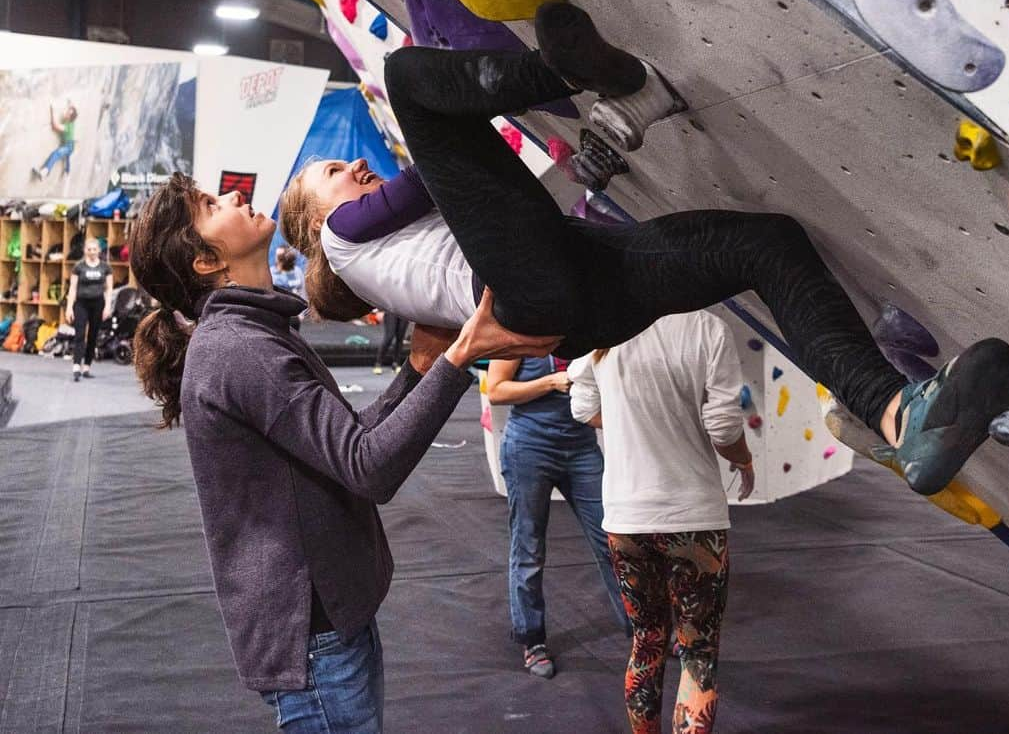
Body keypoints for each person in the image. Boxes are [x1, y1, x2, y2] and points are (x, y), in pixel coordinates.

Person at [278, 1, 1009, 498]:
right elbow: (427, 174)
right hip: (535, 286)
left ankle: (895, 414)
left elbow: (462, 181)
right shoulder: (345, 242)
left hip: (577, 291)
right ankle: (572, 71)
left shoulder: (388, 254)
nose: (353, 168)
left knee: (765, 244)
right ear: (315, 224)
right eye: (333, 175)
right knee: (407, 77)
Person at [128, 174, 560, 734]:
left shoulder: (254, 333)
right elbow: (368, 466)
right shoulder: (241, 348)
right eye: (212, 205)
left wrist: (420, 367)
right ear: (205, 261)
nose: (234, 196)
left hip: (329, 627)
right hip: (315, 640)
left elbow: (342, 442)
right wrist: (460, 356)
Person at [568, 310, 751, 734]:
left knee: (647, 640)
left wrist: (632, 419)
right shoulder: (707, 328)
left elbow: (582, 408)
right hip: (694, 516)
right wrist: (743, 459)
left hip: (626, 517)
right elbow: (723, 427)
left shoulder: (606, 327)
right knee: (698, 652)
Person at [486, 352, 629, 679]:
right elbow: (496, 390)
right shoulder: (522, 330)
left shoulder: (587, 329)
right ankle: (532, 639)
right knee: (529, 549)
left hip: (581, 447)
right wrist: (551, 381)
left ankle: (642, 626)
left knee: (615, 541)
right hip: (530, 447)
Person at [66, 237, 113, 382]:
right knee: (80, 334)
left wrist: (107, 306)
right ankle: (76, 366)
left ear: (99, 251)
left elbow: (109, 289)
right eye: (89, 249)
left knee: (93, 335)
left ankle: (86, 366)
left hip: (98, 304)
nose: (92, 252)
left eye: (94, 249)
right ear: (85, 250)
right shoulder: (78, 267)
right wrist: (69, 308)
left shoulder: (105, 267)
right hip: (81, 303)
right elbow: (73, 288)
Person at [32, 101, 78, 180]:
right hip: (70, 145)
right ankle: (67, 172)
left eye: (68, 113)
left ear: (69, 117)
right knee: (67, 157)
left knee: (56, 154)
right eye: (67, 111)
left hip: (68, 146)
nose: (66, 112)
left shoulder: (67, 127)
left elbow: (55, 126)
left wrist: (52, 111)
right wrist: (69, 103)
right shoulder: (71, 122)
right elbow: (72, 109)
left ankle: (44, 173)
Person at [373, 310, 409, 374]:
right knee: (389, 337)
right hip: (391, 310)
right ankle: (378, 363)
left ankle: (396, 363)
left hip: (404, 312)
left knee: (400, 338)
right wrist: (379, 310)